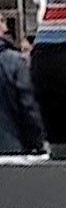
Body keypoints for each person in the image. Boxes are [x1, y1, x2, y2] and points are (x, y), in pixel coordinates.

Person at [0, 24, 44, 155]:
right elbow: (28, 107)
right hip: (11, 149)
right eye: (1, 21)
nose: (5, 27)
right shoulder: (13, 61)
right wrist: (38, 143)